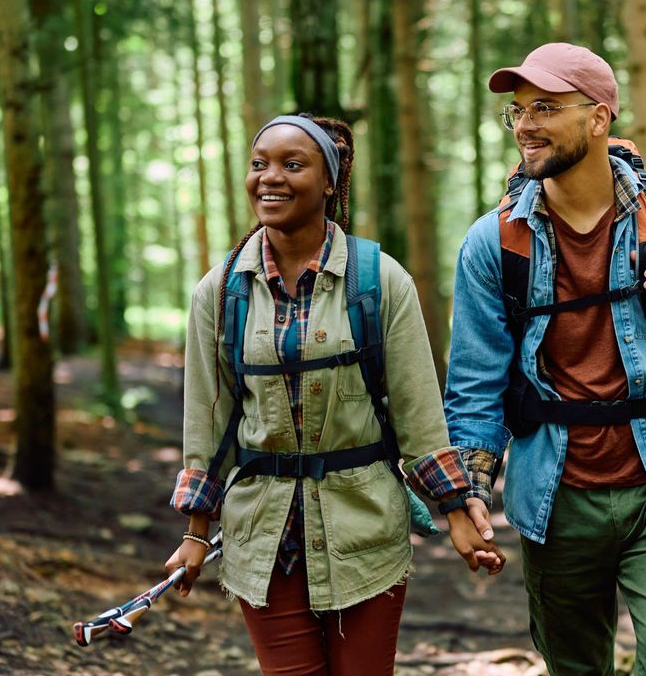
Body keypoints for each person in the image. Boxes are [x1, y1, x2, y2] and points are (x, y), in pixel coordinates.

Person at [445, 43, 646, 675]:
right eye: (518, 110)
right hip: (555, 498)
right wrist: (468, 496)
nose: (526, 124)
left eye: (546, 108)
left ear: (598, 117)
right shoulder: (493, 242)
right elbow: (476, 386)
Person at [164, 113, 503, 676]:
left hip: (364, 529)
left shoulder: (379, 280)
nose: (269, 177)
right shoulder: (221, 291)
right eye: (259, 164)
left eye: (292, 165)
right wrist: (195, 532)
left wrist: (457, 510)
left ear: (330, 182)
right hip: (262, 538)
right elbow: (208, 423)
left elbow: (419, 415)